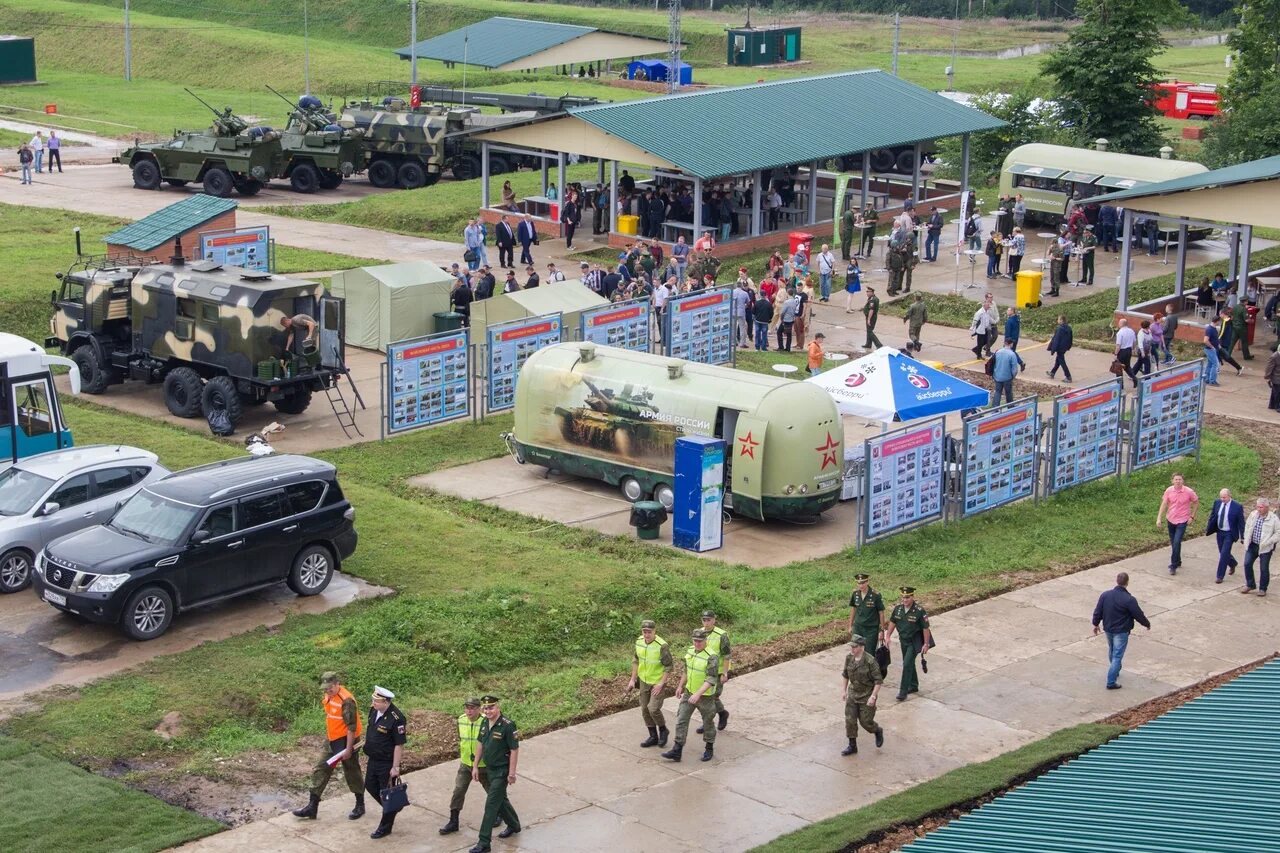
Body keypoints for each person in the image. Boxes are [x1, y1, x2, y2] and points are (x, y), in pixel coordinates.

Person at [293, 672, 365, 820]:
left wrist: (348, 749)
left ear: (337, 684)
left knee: (352, 770)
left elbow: (351, 727)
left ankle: (360, 804)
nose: (327, 691)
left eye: (330, 688)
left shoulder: (347, 701)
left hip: (347, 740)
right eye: (325, 689)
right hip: (333, 740)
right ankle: (312, 806)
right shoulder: (329, 695)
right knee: (321, 768)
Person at [439, 698, 500, 835]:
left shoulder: (487, 721)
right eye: (467, 708)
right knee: (458, 791)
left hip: (484, 765)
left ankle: (499, 813)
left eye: (472, 708)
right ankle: (453, 821)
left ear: (479, 709)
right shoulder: (461, 720)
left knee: (492, 791)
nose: (469, 711)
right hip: (466, 764)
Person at [468, 696, 521, 853]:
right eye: (485, 708)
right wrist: (475, 766)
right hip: (489, 769)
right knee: (501, 800)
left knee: (491, 805)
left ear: (498, 707)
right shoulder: (484, 722)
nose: (488, 711)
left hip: (501, 771)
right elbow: (480, 744)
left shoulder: (508, 725)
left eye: (491, 707)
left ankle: (484, 842)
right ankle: (514, 825)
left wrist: (512, 773)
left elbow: (514, 750)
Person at [661, 629, 720, 763]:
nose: (697, 643)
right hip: (689, 693)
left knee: (708, 722)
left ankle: (709, 747)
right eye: (695, 641)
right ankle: (677, 750)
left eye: (700, 641)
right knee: (681, 719)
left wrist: (698, 694)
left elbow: (711, 679)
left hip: (705, 696)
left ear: (706, 640)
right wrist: (681, 686)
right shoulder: (690, 651)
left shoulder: (712, 656)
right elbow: (687, 670)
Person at [1091, 572, 1151, 690]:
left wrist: (1095, 623)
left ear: (1117, 581)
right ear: (1127, 582)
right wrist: (1146, 624)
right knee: (1117, 656)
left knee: (1112, 650)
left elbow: (1098, 610)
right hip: (1121, 631)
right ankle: (1111, 681)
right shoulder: (1129, 600)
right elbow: (1138, 614)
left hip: (1108, 628)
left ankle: (1115, 669)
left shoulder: (1105, 595)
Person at [363, 686, 406, 840]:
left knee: (387, 793)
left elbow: (398, 744)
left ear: (386, 702)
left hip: (386, 762)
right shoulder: (374, 711)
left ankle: (385, 826)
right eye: (373, 700)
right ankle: (392, 808)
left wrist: (395, 767)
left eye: (377, 701)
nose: (374, 703)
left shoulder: (396, 718)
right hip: (373, 759)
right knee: (369, 785)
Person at [626, 620, 673, 749]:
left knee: (653, 708)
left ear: (654, 631)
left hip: (657, 682)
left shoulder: (662, 646)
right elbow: (636, 661)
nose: (647, 635)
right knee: (644, 709)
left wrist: (661, 684)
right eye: (644, 631)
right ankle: (653, 736)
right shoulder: (639, 641)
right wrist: (632, 679)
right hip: (643, 681)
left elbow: (669, 666)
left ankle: (663, 730)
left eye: (649, 632)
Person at [839, 636, 885, 756]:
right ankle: (852, 745)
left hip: (867, 695)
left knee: (866, 722)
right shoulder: (849, 658)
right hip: (853, 694)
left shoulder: (870, 661)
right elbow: (845, 675)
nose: (852, 649)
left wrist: (873, 696)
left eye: (855, 647)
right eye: (851, 647)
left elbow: (878, 681)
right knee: (850, 720)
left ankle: (877, 730)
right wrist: (843, 691)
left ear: (861, 647)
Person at [884, 587, 931, 702]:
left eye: (908, 597)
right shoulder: (898, 609)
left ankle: (903, 691)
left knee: (906, 664)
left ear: (912, 597)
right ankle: (914, 685)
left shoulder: (919, 611)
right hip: (903, 640)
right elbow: (893, 622)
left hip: (914, 642)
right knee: (908, 662)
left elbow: (926, 628)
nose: (905, 599)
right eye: (903, 597)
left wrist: (926, 643)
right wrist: (888, 636)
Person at [1157, 473, 1199, 575]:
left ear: (1183, 481)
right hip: (1171, 519)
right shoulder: (1169, 490)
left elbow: (1196, 502)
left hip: (1182, 520)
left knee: (1176, 541)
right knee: (1174, 542)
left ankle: (1173, 565)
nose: (1178, 481)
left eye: (1180, 479)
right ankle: (1178, 560)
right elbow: (1164, 504)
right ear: (1172, 481)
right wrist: (1159, 518)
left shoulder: (1189, 492)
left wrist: (1192, 516)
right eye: (1176, 479)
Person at [698, 611, 732, 734]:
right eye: (704, 620)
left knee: (713, 697)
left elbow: (727, 655)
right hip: (704, 671)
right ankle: (720, 714)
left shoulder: (721, 635)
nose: (706, 623)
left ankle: (714, 719)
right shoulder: (699, 633)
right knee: (705, 698)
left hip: (717, 672)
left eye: (708, 620)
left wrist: (725, 673)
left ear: (714, 620)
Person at [1241, 497, 1279, 596]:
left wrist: (1269, 541)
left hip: (1265, 547)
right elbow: (1248, 527)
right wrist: (1246, 538)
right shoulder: (1253, 515)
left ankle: (1263, 588)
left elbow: (1278, 533)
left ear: (1267, 507)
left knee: (1264, 568)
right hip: (1252, 545)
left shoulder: (1273, 519)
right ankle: (1250, 584)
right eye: (1257, 507)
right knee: (1247, 563)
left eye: (1261, 507)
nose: (1258, 509)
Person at [1206, 488, 1244, 584]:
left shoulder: (1237, 506)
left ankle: (1220, 576)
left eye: (1224, 497)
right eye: (1221, 497)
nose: (1222, 499)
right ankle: (1233, 563)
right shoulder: (1217, 503)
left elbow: (1241, 522)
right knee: (1222, 552)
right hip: (1220, 531)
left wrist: (1243, 536)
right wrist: (1209, 526)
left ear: (1229, 496)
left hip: (1229, 533)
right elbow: (1213, 515)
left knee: (1224, 553)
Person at [847, 573, 887, 653]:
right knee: (855, 651)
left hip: (871, 630)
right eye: (859, 583)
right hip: (858, 627)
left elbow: (881, 613)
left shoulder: (875, 595)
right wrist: (850, 625)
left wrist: (881, 630)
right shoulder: (855, 594)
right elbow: (853, 609)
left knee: (869, 653)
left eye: (863, 583)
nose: (861, 585)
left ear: (867, 582)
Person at [990, 338, 1022, 406]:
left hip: (997, 376)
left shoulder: (998, 352)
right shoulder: (1012, 354)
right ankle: (1010, 406)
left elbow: (994, 363)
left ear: (1004, 343)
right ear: (1011, 344)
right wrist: (1013, 376)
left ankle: (995, 408)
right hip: (1007, 377)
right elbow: (1014, 369)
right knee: (1008, 393)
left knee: (997, 392)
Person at [1046, 314, 1074, 382]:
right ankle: (1052, 373)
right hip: (1064, 347)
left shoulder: (1059, 329)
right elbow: (1071, 338)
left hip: (1059, 348)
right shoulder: (1069, 328)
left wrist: (1053, 349)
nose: (1057, 320)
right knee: (1058, 360)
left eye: (1058, 319)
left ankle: (1068, 376)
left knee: (1062, 361)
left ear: (1061, 320)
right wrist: (1068, 346)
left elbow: (1056, 340)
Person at [1114, 319, 1138, 387]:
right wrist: (1133, 349)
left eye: (1119, 323)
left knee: (1118, 368)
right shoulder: (1131, 331)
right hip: (1128, 350)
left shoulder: (1120, 333)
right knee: (1127, 367)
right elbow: (1134, 342)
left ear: (1122, 324)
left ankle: (1120, 385)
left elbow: (1118, 345)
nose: (1118, 324)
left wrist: (1116, 354)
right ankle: (1134, 378)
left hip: (1122, 351)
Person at [777, 288, 799, 352]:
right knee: (789, 334)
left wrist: (781, 318)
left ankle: (781, 346)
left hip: (786, 319)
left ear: (787, 293)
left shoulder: (787, 302)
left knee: (779, 332)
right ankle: (788, 347)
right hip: (791, 319)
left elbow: (783, 312)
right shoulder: (795, 301)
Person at [1203, 320, 1223, 386]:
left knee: (1210, 364)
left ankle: (1206, 379)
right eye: (1219, 321)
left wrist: (1218, 345)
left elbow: (1215, 339)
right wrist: (1212, 347)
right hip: (1210, 350)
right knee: (1215, 364)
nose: (1220, 323)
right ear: (1216, 321)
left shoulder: (1213, 329)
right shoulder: (1209, 329)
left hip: (1212, 349)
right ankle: (1212, 381)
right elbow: (1205, 340)